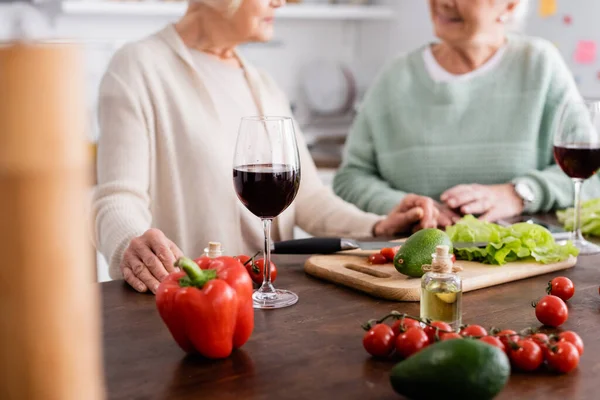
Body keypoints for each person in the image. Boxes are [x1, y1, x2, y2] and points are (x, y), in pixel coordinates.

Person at [92, 0, 439, 294]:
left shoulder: (262, 84)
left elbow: (308, 199)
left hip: (271, 299)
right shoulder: (138, 68)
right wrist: (131, 244)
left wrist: (378, 227)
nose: (282, 1)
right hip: (190, 303)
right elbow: (117, 198)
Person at [333, 0, 600, 226]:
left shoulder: (540, 65)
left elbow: (592, 175)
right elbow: (350, 178)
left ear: (510, 4)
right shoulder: (395, 77)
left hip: (521, 266)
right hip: (411, 264)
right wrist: (405, 208)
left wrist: (519, 193)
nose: (444, 3)